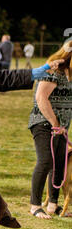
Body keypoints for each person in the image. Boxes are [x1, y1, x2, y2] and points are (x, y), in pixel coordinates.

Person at [28, 40, 72, 219]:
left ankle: (53, 205)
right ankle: (35, 205)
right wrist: (55, 122)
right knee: (46, 161)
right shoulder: (54, 70)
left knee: (59, 164)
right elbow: (41, 97)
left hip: (61, 126)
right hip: (43, 123)